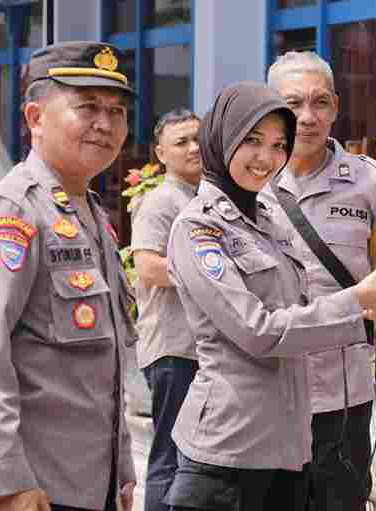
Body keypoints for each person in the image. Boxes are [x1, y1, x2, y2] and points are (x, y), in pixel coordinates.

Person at [162, 82, 376, 511]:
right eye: (251, 141)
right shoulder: (199, 228)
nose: (266, 158)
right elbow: (259, 331)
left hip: (290, 448)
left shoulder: (265, 220)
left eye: (277, 145)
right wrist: (359, 302)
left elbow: (301, 313)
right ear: (222, 138)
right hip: (228, 453)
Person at [0, 41, 138, 511]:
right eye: (87, 107)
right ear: (35, 117)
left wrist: (122, 470)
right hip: (28, 488)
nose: (105, 124)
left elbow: (100, 369)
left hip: (88, 485)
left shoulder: (92, 217)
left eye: (116, 111)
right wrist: (5, 480)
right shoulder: (11, 212)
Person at [261, 50, 376, 511]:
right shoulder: (243, 186)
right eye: (293, 105)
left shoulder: (374, 183)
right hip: (269, 393)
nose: (307, 118)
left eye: (320, 103)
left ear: (335, 107)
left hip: (345, 392)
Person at [130, 109, 201, 511]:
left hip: (197, 347)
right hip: (172, 348)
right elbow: (148, 267)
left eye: (197, 139)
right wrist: (210, 273)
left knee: (192, 456)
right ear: (161, 153)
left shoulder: (203, 196)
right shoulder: (160, 202)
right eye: (181, 143)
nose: (193, 148)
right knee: (169, 455)